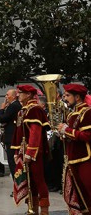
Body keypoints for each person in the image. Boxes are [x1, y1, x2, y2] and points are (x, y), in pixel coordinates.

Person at [11, 84, 50, 215]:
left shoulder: (35, 109)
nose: (18, 95)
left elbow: (35, 133)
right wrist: (17, 152)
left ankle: (44, 211)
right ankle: (32, 209)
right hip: (24, 151)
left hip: (34, 152)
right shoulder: (22, 111)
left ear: (28, 95)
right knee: (30, 182)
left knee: (39, 180)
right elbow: (18, 134)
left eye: (20, 92)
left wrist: (30, 153)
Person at [57, 83, 91, 213]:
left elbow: (88, 136)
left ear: (77, 97)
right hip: (72, 159)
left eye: (68, 95)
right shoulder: (72, 115)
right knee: (81, 197)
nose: (65, 98)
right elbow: (71, 135)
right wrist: (63, 134)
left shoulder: (87, 112)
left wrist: (68, 130)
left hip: (86, 159)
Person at [0, 88, 22, 179]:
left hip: (11, 137)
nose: (6, 97)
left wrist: (1, 109)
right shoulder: (15, 105)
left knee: (13, 162)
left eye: (7, 95)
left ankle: (17, 184)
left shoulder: (13, 106)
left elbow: (3, 118)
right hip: (13, 137)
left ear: (13, 96)